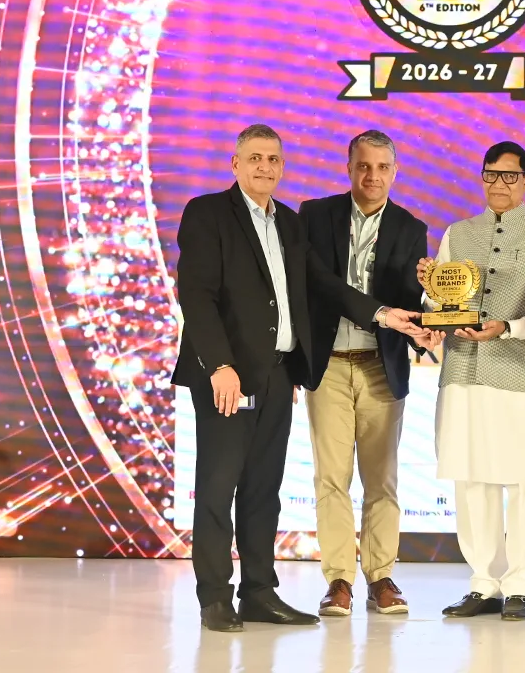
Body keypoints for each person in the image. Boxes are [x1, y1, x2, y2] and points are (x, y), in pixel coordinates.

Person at [171, 123, 427, 633]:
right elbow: (195, 295)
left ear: (283, 167)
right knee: (218, 488)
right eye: (255, 158)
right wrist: (219, 365)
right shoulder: (207, 212)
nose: (265, 167)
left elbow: (325, 284)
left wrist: (383, 315)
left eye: (274, 159)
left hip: (277, 374)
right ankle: (214, 598)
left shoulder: (289, 222)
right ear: (236, 164)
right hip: (227, 377)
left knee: (264, 490)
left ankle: (259, 593)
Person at [417, 141, 525, 622]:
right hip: (463, 371)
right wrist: (429, 295)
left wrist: (508, 327)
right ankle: (484, 583)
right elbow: (442, 307)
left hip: (520, 373)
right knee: (471, 478)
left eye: (510, 176)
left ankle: (519, 585)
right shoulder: (457, 234)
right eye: (491, 174)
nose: (499, 184)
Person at [299, 129, 432, 617]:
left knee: (382, 481)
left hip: (382, 365)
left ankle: (381, 578)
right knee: (331, 479)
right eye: (363, 166)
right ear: (349, 168)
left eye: (382, 167)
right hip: (329, 364)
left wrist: (429, 322)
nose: (372, 175)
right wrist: (381, 313)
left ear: (395, 172)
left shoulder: (411, 227)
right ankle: (339, 579)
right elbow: (318, 282)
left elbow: (411, 300)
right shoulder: (315, 216)